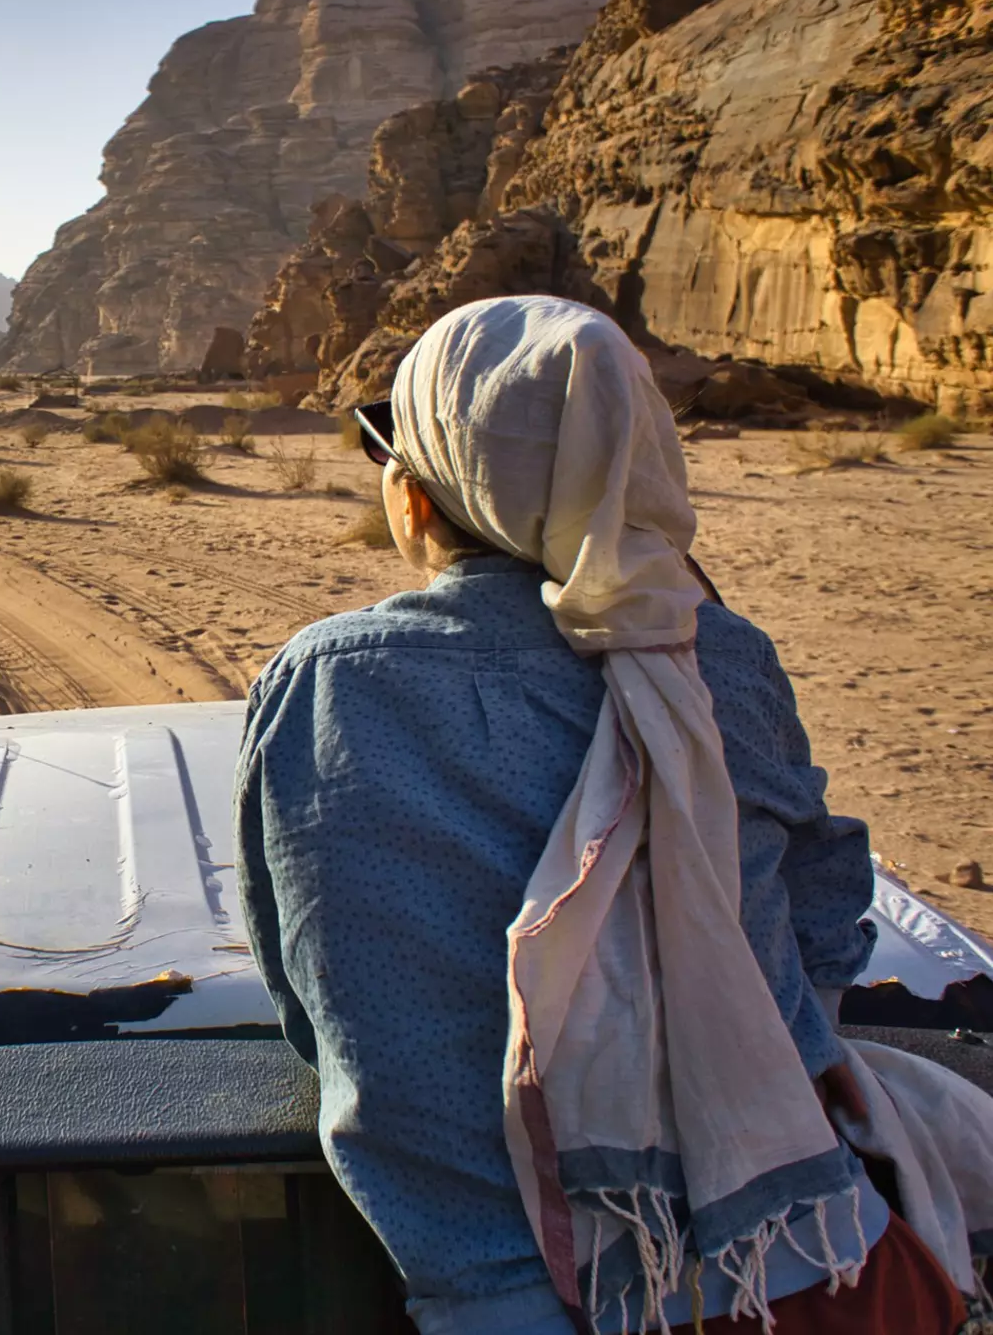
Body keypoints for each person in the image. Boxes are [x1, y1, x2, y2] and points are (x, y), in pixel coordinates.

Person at [233, 296, 968, 1334]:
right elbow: (822, 908)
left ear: (417, 497)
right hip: (803, 1252)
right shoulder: (716, 656)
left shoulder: (334, 684)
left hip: (510, 1288)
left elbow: (309, 981)